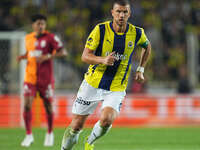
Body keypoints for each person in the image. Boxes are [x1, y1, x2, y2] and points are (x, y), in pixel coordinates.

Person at [61, 0, 151, 150]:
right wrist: (103, 60)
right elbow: (85, 56)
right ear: (112, 13)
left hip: (116, 86)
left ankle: (89, 142)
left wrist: (141, 69)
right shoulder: (100, 30)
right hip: (92, 83)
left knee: (107, 119)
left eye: (124, 12)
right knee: (76, 125)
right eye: (118, 11)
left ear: (129, 13)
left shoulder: (137, 32)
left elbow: (147, 47)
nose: (121, 15)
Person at [17, 14, 67, 147]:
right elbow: (31, 53)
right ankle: (28, 135)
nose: (41, 26)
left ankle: (49, 133)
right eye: (38, 23)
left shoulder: (51, 37)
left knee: (48, 107)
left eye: (43, 24)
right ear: (33, 25)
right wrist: (23, 56)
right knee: (27, 105)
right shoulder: (28, 38)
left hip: (46, 80)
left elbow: (63, 52)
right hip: (30, 78)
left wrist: (48, 56)